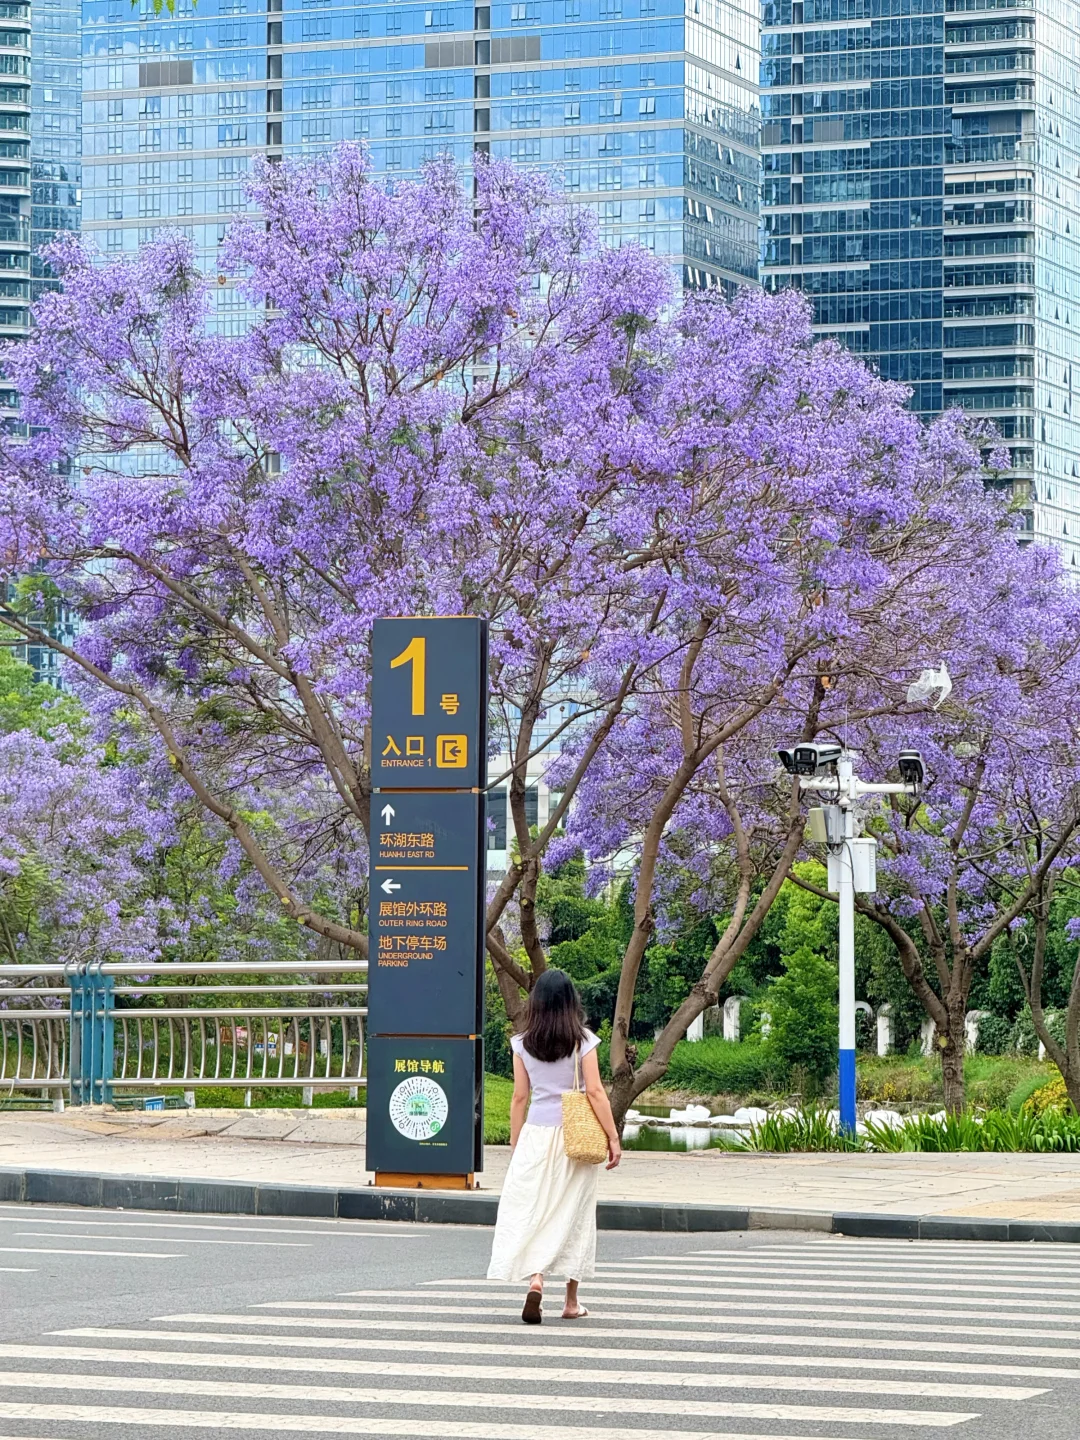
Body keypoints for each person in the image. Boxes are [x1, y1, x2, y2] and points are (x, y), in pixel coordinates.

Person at [487, 969, 621, 1325]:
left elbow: (519, 1097)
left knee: (537, 1209)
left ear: (536, 1003)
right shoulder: (584, 1041)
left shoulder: (522, 1043)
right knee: (575, 1213)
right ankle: (571, 1301)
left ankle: (536, 1279)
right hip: (575, 1138)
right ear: (570, 1002)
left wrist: (517, 1142)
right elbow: (594, 1092)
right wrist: (612, 1136)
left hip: (536, 1133)